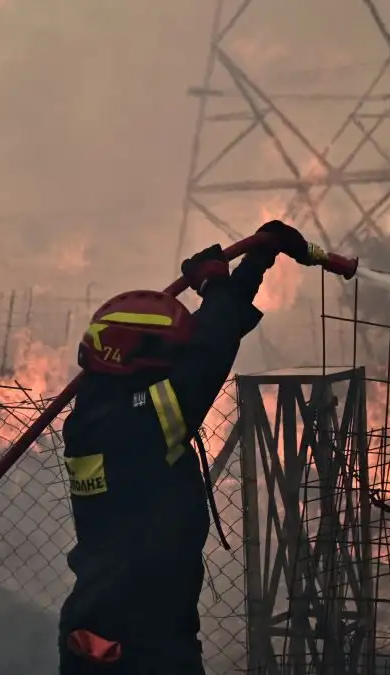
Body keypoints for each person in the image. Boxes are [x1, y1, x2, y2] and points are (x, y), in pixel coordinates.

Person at [58, 221, 312, 675]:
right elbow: (207, 355)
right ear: (138, 361)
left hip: (120, 627)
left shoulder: (105, 404)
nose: (177, 362)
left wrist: (250, 268)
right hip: (133, 643)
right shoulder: (137, 422)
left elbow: (201, 342)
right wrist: (216, 283)